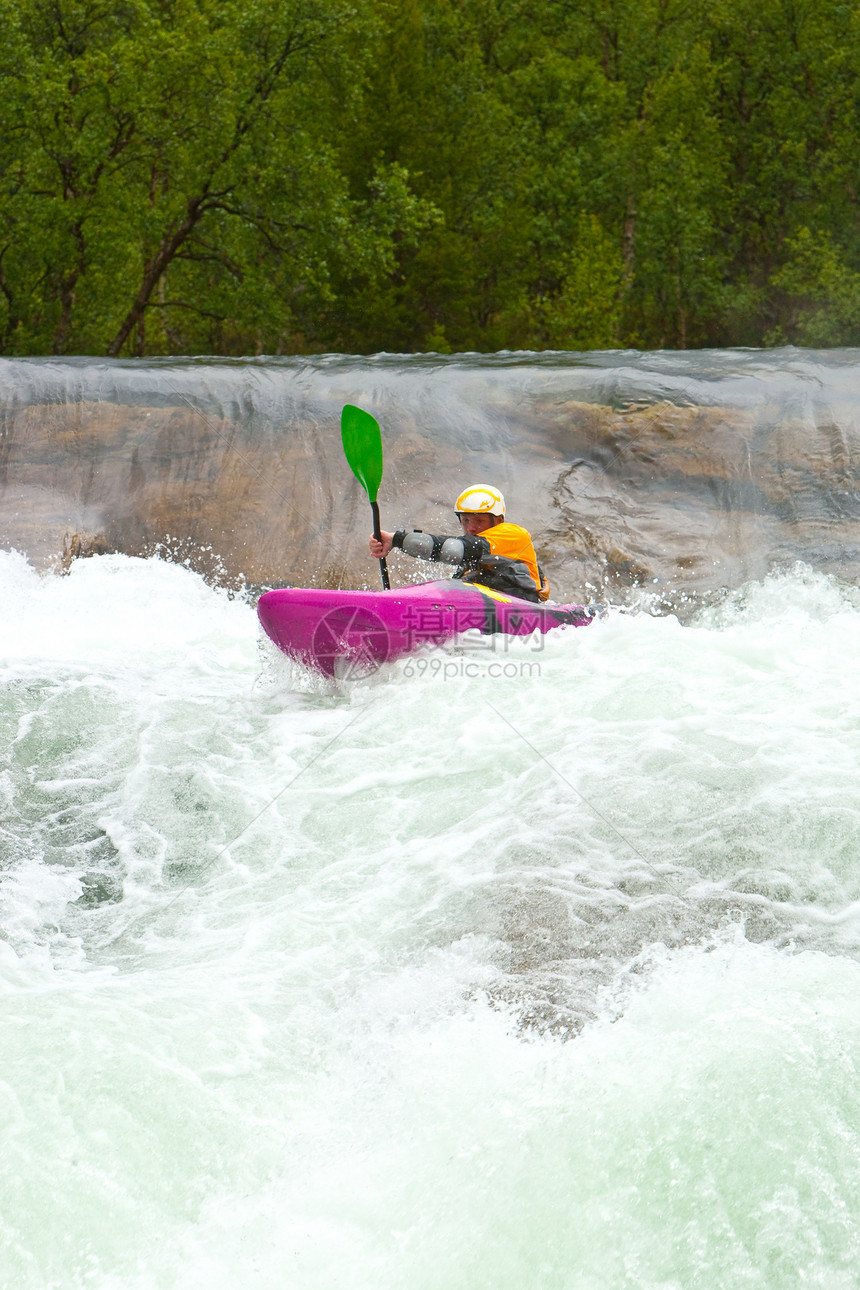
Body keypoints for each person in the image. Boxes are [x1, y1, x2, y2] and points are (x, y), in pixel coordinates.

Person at [369, 484, 550, 603]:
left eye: (479, 520)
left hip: (524, 608)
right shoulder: (473, 556)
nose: (471, 528)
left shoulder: (513, 535)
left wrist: (396, 539)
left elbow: (451, 550)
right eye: (465, 520)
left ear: (498, 521)